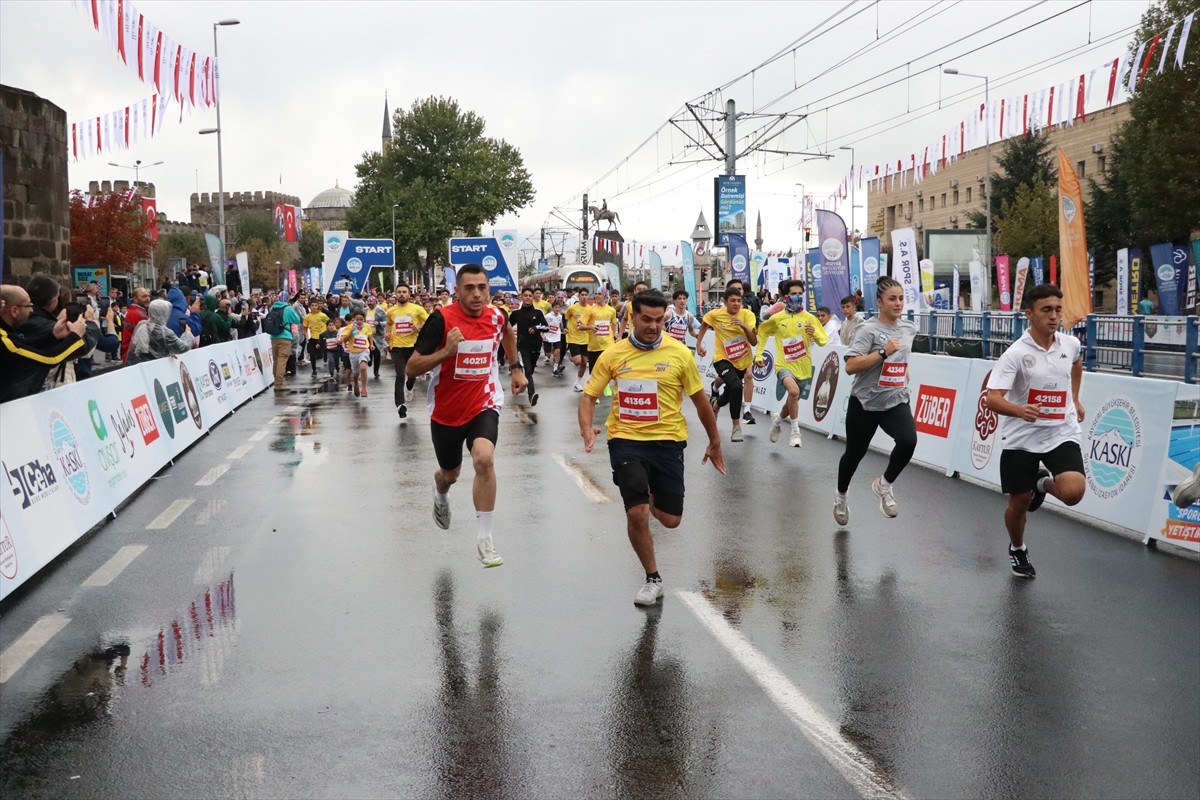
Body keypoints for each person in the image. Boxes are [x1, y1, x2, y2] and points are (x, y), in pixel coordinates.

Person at [578, 289, 725, 606]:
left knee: (672, 520)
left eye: (660, 320)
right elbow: (589, 396)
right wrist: (586, 427)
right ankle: (652, 578)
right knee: (638, 512)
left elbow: (700, 401)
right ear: (632, 317)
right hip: (626, 440)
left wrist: (714, 440)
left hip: (667, 442)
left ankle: (641, 492)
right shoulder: (614, 355)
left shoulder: (679, 354)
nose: (654, 326)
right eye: (647, 319)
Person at [407, 264, 527, 568]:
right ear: (457, 291)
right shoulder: (441, 319)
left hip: (483, 401)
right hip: (446, 410)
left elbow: (508, 334)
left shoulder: (498, 316)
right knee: (451, 474)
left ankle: (484, 540)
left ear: (489, 289)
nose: (476, 294)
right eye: (469, 288)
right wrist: (445, 353)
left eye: (482, 287)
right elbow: (412, 367)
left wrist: (515, 368)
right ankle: (440, 490)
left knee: (484, 459)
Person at [984, 284, 1086, 578]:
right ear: (1029, 314)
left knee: (1073, 493)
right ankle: (1017, 549)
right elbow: (992, 398)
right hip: (1022, 438)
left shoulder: (1070, 344)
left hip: (1060, 431)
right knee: (1019, 503)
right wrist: (1020, 410)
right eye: (1046, 310)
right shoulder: (1015, 354)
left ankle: (1041, 484)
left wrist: (1075, 398)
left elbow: (1077, 364)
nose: (1054, 316)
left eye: (1057, 309)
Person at [833, 277, 918, 526]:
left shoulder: (909, 328)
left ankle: (884, 485)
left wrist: (902, 370)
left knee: (908, 440)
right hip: (866, 402)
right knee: (854, 455)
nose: (898, 303)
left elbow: (902, 358)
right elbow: (850, 366)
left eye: (901, 298)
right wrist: (882, 353)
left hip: (895, 398)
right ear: (880, 302)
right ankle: (841, 496)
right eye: (892, 299)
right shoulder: (867, 330)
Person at [754, 279, 827, 448]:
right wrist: (759, 356)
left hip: (803, 366)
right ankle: (795, 431)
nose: (797, 297)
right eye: (793, 294)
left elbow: (823, 340)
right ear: (785, 296)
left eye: (800, 294)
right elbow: (763, 332)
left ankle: (778, 420)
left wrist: (814, 333)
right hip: (783, 365)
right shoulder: (778, 318)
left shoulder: (809, 318)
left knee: (792, 399)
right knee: (793, 392)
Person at [0, 285, 93, 403]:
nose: (32, 310)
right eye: (29, 305)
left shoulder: (6, 334)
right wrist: (75, 337)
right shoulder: (4, 342)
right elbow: (49, 359)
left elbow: (26, 346)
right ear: (14, 310)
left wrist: (53, 335)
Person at [696, 287, 758, 442]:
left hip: (742, 360)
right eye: (733, 301)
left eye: (739, 301)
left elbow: (753, 341)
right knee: (737, 387)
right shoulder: (715, 315)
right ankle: (736, 427)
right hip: (722, 359)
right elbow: (704, 323)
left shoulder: (747, 315)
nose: (736, 304)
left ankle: (716, 405)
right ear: (725, 302)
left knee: (732, 391)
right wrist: (699, 344)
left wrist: (743, 325)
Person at [386, 283, 429, 422]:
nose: (401, 294)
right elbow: (389, 323)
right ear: (395, 294)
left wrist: (419, 326)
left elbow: (430, 322)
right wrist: (387, 334)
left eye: (404, 292)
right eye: (399, 292)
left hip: (413, 346)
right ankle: (400, 405)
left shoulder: (417, 309)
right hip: (397, 347)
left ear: (409, 294)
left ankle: (409, 386)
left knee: (411, 374)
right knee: (399, 375)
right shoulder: (391, 310)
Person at [726, 279, 760, 425]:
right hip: (726, 351)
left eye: (740, 289)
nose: (738, 291)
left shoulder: (747, 310)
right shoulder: (720, 312)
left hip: (744, 351)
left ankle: (747, 411)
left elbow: (754, 333)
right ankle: (715, 389)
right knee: (727, 383)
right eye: (734, 289)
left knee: (749, 375)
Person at [508, 288, 549, 406]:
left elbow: (546, 327)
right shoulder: (516, 314)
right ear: (521, 297)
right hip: (522, 346)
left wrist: (536, 328)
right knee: (528, 371)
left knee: (530, 369)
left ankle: (520, 382)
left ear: (533, 298)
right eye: (525, 295)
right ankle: (532, 395)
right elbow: (507, 328)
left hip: (536, 346)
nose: (527, 298)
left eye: (530, 296)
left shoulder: (538, 312)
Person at [126, 298, 195, 364]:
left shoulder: (142, 324)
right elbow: (183, 347)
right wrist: (187, 334)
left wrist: (168, 352)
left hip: (137, 366)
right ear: (164, 313)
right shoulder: (164, 332)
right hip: (155, 368)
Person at [266, 294, 302, 389]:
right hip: (285, 336)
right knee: (282, 360)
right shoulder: (288, 308)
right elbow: (297, 320)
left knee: (276, 360)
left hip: (274, 337)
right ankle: (279, 384)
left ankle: (276, 381)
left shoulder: (273, 308)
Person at [338, 309, 375, 397]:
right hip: (353, 353)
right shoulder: (349, 327)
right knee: (355, 374)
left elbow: (370, 335)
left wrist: (372, 344)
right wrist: (351, 332)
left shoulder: (366, 326)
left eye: (361, 320)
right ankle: (355, 383)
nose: (359, 321)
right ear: (354, 319)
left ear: (364, 319)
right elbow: (344, 340)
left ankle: (364, 388)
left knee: (363, 368)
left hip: (364, 350)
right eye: (357, 320)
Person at [581, 290, 618, 375]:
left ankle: (606, 388)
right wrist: (591, 327)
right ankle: (594, 387)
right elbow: (581, 326)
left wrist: (616, 333)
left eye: (600, 294)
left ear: (605, 296)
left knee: (607, 370)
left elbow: (614, 324)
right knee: (595, 373)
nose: (597, 296)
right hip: (594, 346)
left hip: (608, 344)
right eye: (596, 294)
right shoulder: (590, 310)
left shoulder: (611, 310)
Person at [564, 288, 592, 392]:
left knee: (584, 363)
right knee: (577, 362)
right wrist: (565, 328)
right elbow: (565, 317)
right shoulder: (573, 308)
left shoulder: (590, 309)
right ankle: (572, 357)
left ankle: (577, 383)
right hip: (573, 338)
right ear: (579, 296)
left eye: (586, 295)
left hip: (585, 339)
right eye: (582, 295)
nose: (584, 297)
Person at [120, 286, 152, 363]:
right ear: (135, 299)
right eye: (144, 296)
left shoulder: (136, 312)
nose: (148, 298)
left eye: (148, 296)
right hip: (134, 357)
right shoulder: (138, 314)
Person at [303, 299, 330, 377]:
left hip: (321, 338)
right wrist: (305, 334)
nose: (314, 307)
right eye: (312, 306)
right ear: (310, 307)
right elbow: (305, 327)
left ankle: (325, 353)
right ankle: (314, 369)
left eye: (316, 305)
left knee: (319, 355)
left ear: (318, 306)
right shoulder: (307, 317)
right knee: (312, 354)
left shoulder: (323, 315)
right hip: (312, 337)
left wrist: (327, 332)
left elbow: (329, 323)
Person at [543, 300, 565, 377]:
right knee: (548, 354)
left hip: (556, 336)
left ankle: (555, 368)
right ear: (552, 308)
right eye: (555, 307)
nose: (557, 309)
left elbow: (561, 326)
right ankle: (550, 352)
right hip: (548, 337)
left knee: (558, 351)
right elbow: (542, 325)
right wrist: (542, 334)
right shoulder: (547, 316)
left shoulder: (560, 317)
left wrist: (563, 330)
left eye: (558, 307)